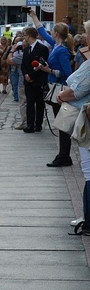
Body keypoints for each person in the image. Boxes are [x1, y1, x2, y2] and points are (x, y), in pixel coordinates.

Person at [28, 9, 75, 165]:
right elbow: (41, 30)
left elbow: (68, 73)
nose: (50, 33)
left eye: (52, 30)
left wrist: (49, 70)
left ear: (56, 33)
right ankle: (63, 154)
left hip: (60, 89)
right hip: (54, 87)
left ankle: (64, 156)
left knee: (62, 123)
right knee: (60, 122)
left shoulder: (61, 50)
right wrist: (34, 16)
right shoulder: (56, 45)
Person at [56, 21, 90, 234]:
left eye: (87, 33)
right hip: (82, 115)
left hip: (85, 118)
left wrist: (63, 95)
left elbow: (77, 91)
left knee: (88, 172)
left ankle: (88, 219)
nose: (85, 37)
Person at [20, 26, 50, 133]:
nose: (24, 38)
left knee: (39, 103)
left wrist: (31, 76)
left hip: (38, 80)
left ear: (28, 36)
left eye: (25, 35)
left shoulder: (42, 48)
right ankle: (30, 125)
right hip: (28, 81)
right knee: (29, 103)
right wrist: (26, 75)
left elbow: (42, 65)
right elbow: (23, 65)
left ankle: (38, 124)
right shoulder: (27, 49)